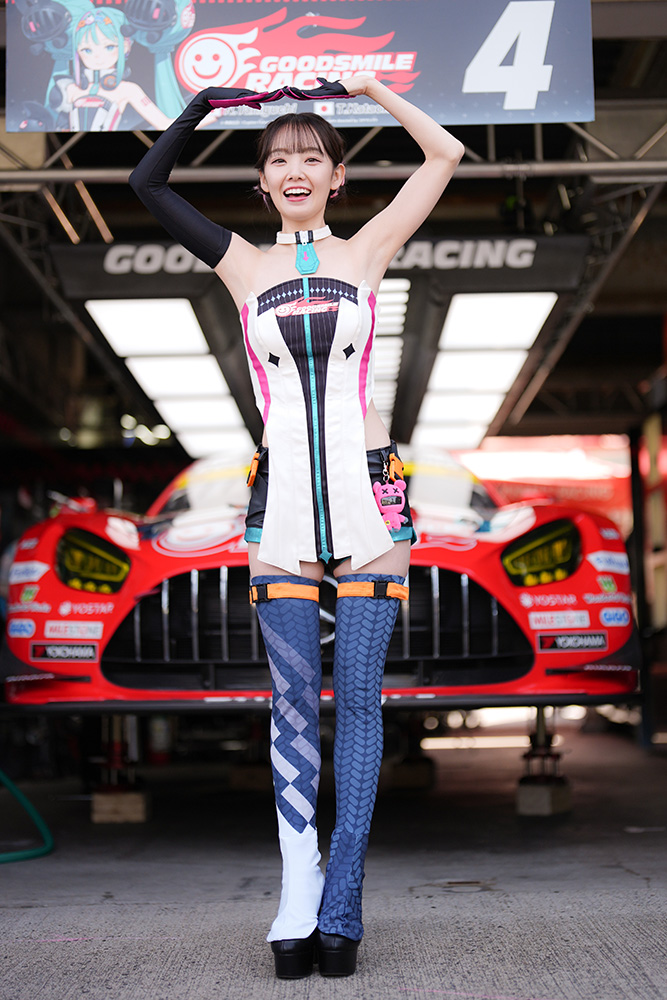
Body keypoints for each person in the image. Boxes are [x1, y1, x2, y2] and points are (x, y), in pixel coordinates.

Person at [129, 76, 464, 978]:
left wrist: (372, 88)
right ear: (262, 180)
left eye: (312, 156)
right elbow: (147, 184)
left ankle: (343, 897)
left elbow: (445, 154)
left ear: (336, 176)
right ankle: (295, 891)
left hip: (372, 498)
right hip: (276, 500)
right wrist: (205, 108)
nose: (294, 169)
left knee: (358, 703)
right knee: (289, 709)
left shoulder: (369, 249)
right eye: (277, 158)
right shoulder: (240, 264)